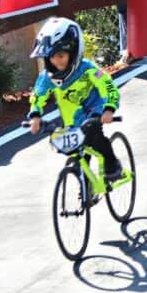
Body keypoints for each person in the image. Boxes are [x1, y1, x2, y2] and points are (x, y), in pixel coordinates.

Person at [27, 17, 124, 181]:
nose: (56, 61)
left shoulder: (88, 69)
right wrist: (35, 115)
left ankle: (112, 163)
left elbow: (108, 86)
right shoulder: (47, 76)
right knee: (78, 155)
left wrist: (109, 109)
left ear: (73, 52)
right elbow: (39, 94)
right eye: (51, 56)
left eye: (60, 55)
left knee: (96, 140)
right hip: (71, 120)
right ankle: (86, 191)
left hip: (94, 112)